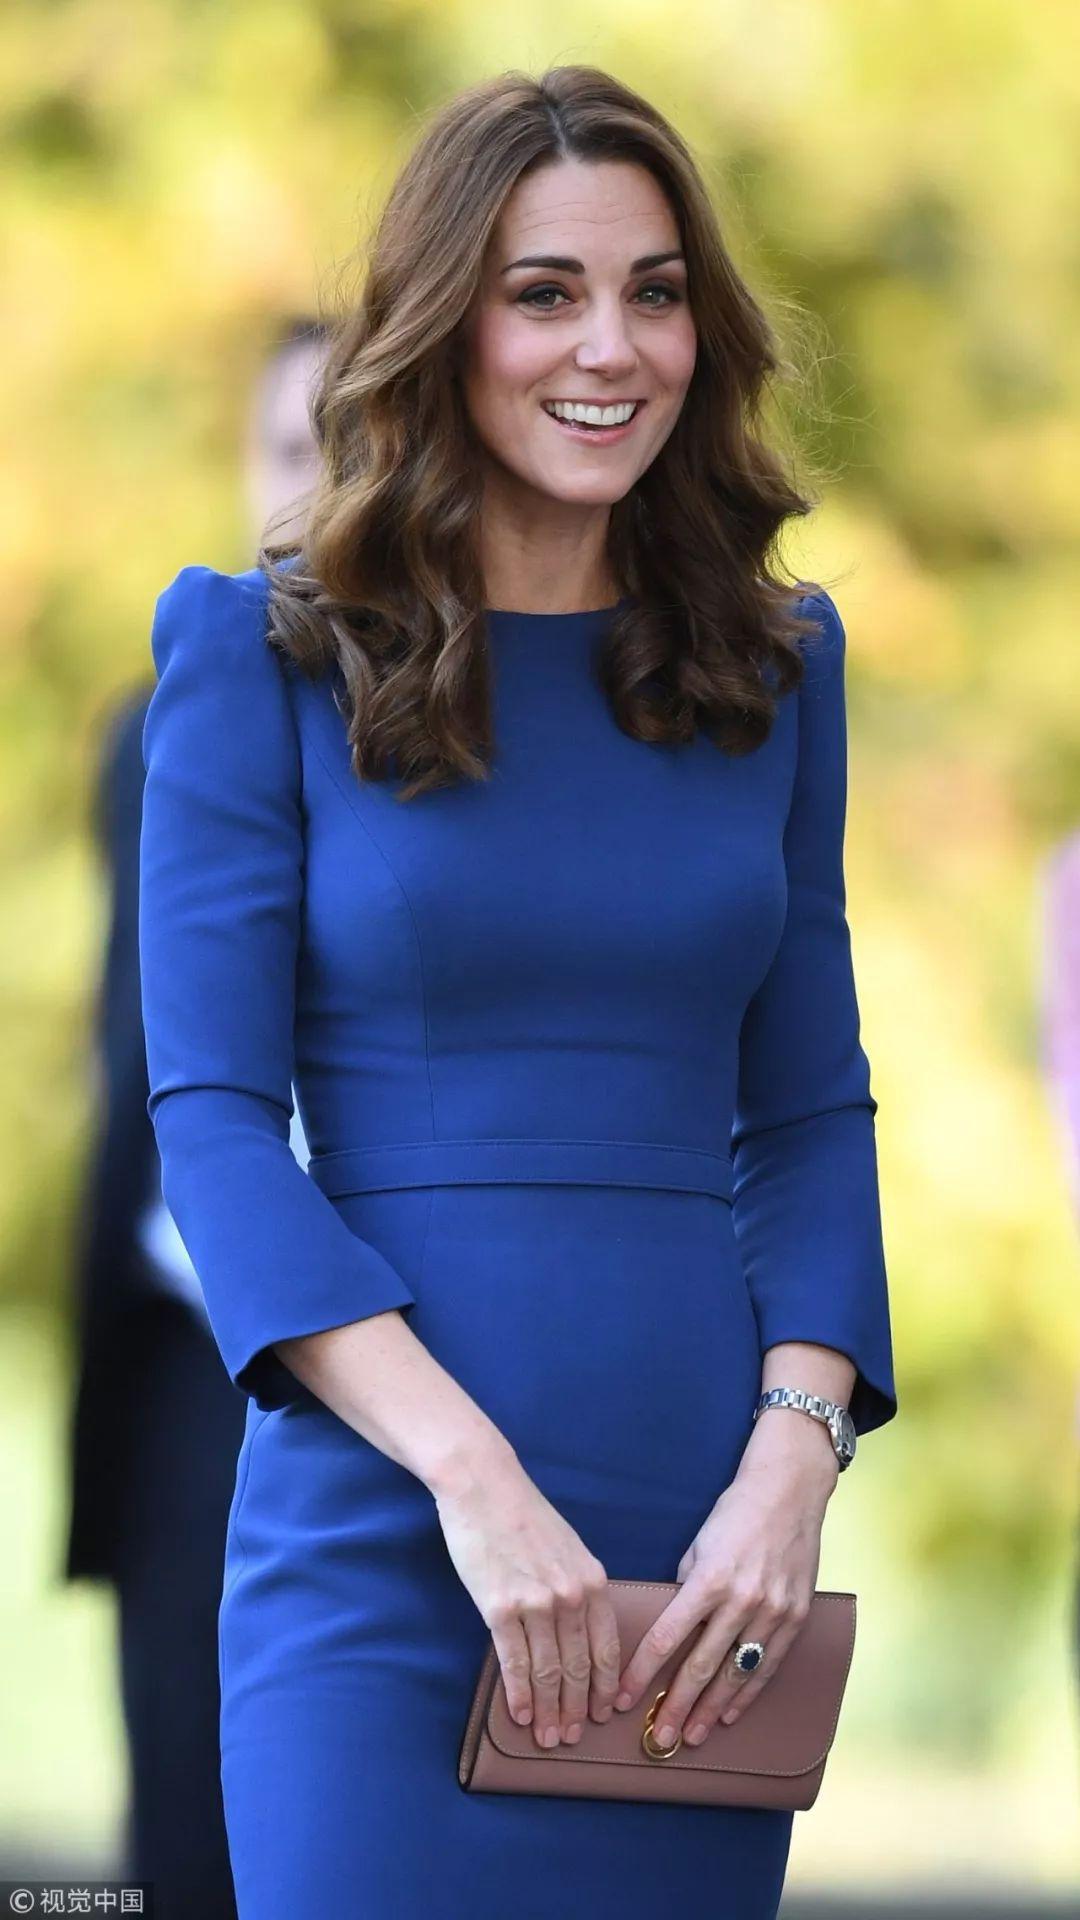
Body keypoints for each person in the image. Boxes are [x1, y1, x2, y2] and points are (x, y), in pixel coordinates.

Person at [137, 65, 898, 1920]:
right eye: (543, 292)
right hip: (388, 1525)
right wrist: (471, 1481)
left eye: (655, 294)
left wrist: (792, 1467)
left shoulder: (778, 667)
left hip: (696, 1567)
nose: (609, 347)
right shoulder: (255, 650)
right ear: (441, 324)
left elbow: (811, 1113)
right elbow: (213, 1127)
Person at [61, 316, 327, 1918]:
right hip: (190, 1371)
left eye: (352, 447)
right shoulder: (149, 729)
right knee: (183, 1852)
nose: (313, 489)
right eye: (287, 448)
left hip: (430, 1352)